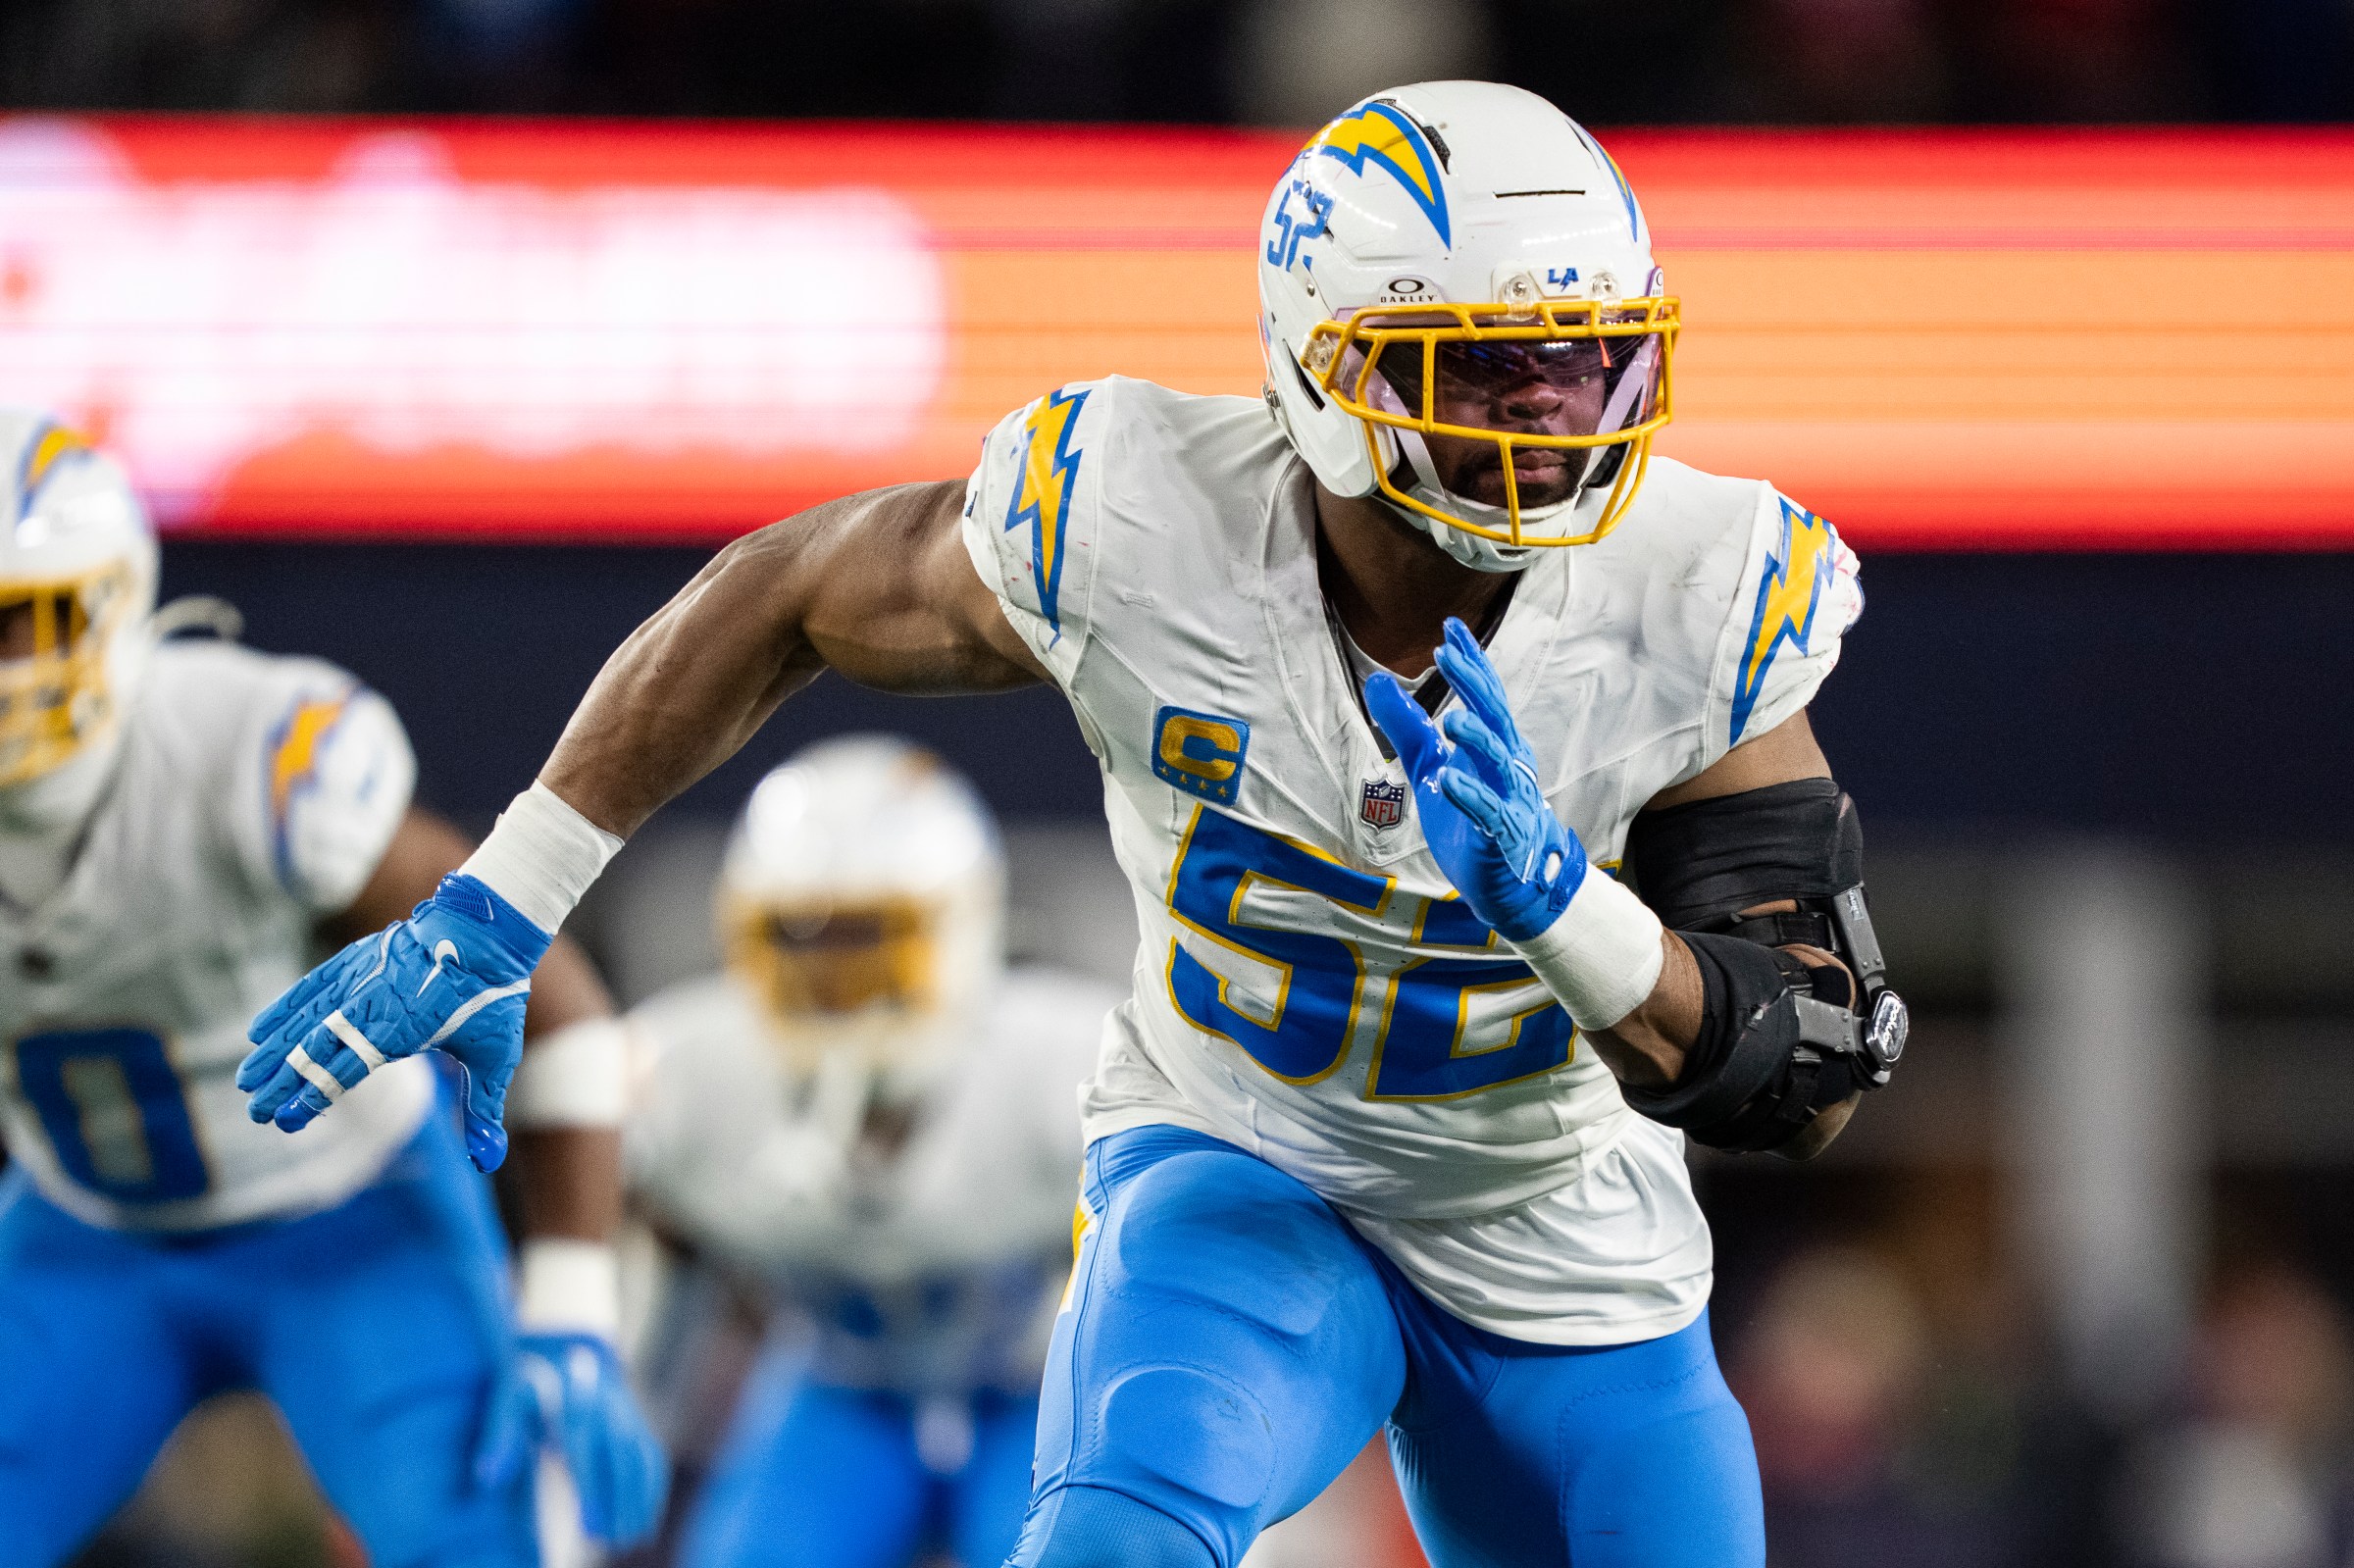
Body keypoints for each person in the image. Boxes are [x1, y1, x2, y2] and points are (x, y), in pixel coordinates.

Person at [240, 80, 1910, 1567]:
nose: (1558, 420)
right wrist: (507, 895)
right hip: (1255, 1153)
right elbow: (786, 591)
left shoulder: (1686, 595)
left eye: (1591, 360)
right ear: (1324, 370)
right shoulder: (1140, 520)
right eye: (1491, 367)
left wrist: (1574, 915)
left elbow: (1804, 1077)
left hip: (1558, 1223)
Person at [0, 411, 667, 1568]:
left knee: (477, 1544)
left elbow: (548, 1003)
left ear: (109, 612)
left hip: (350, 1223)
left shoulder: (242, 757)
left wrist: (569, 1304)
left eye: (17, 623)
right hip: (84, 1231)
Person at [623, 736, 1115, 1568]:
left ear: (964, 931)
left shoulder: (1071, 1069)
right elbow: (660, 1285)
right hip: (841, 1389)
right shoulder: (693, 1080)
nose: (837, 980)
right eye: (804, 941)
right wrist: (623, 1415)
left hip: (1046, 1395)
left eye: (870, 939)